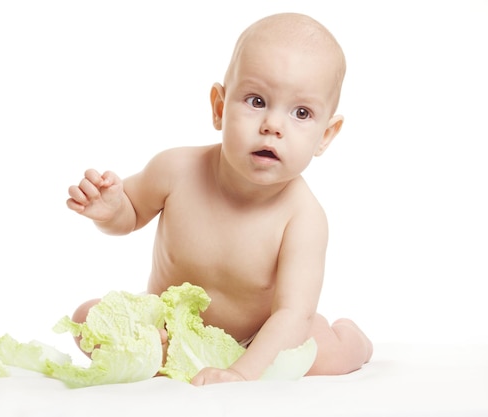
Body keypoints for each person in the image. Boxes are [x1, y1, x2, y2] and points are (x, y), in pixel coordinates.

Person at [66, 12, 373, 386]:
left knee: (324, 352)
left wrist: (241, 372)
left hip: (259, 341)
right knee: (88, 318)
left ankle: (353, 339)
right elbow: (130, 213)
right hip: (170, 329)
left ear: (326, 135)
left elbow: (293, 313)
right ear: (219, 107)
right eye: (256, 100)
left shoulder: (303, 218)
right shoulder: (176, 169)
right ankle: (168, 355)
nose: (272, 126)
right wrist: (111, 209)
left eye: (301, 112)